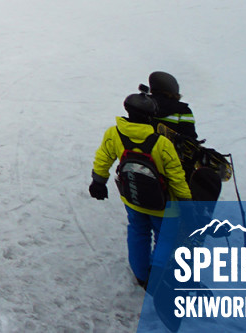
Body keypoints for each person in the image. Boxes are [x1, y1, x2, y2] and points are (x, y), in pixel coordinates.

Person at [90, 91, 191, 288]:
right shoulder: (162, 143)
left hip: (133, 197)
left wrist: (98, 182)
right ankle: (158, 274)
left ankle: (141, 274)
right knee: (165, 237)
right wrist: (186, 201)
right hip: (162, 204)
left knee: (138, 231)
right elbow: (176, 177)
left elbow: (103, 158)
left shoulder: (114, 134)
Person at [141, 71, 223, 202]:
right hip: (174, 162)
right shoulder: (183, 111)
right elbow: (189, 138)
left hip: (146, 159)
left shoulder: (142, 105)